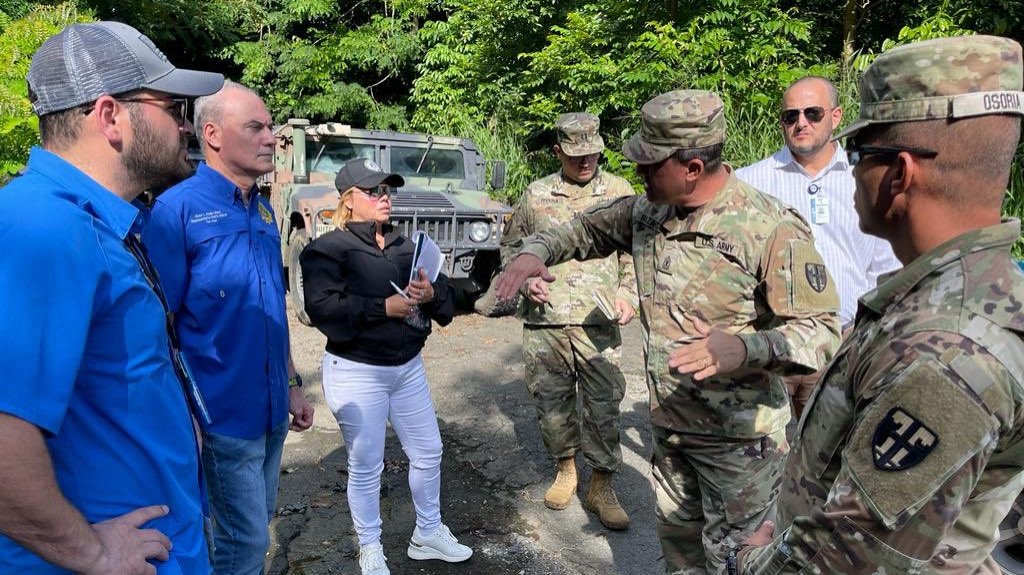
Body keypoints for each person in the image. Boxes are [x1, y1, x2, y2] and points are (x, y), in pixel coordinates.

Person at [495, 90, 842, 574]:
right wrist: (535, 251)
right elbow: (580, 230)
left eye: (649, 164)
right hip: (671, 434)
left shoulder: (768, 228)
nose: (637, 174)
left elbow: (823, 332)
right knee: (681, 557)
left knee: (742, 563)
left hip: (739, 448)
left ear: (693, 167)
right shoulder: (647, 213)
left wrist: (747, 347)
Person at [734, 35, 1024, 575]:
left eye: (861, 154)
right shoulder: (954, 294)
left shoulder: (944, 352)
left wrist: (746, 562)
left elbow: (848, 560)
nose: (851, 170)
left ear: (899, 174)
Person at [0, 21, 223, 574]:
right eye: (173, 107)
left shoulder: (95, 224)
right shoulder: (42, 227)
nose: (186, 127)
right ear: (109, 116)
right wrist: (89, 552)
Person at [142, 80, 315, 575]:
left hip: (270, 412)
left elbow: (271, 310)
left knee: (251, 530)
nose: (270, 138)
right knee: (243, 543)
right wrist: (184, 417)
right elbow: (160, 326)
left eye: (271, 127)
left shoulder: (261, 209)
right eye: (256, 127)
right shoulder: (178, 211)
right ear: (213, 134)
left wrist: (293, 385)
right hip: (220, 418)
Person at [300, 159, 473, 575]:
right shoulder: (326, 250)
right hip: (357, 370)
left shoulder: (405, 245)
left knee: (429, 452)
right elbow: (321, 310)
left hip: (407, 367)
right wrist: (383, 307)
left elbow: (448, 300)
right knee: (366, 464)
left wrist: (431, 292)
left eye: (387, 190)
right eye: (373, 191)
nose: (384, 198)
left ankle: (427, 532)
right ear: (348, 200)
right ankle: (370, 546)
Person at [501, 112, 638, 530]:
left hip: (599, 321)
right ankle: (566, 471)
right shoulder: (536, 193)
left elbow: (636, 251)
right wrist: (525, 286)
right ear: (558, 150)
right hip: (546, 321)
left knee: (604, 406)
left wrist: (627, 293)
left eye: (592, 153)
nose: (586, 162)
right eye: (576, 155)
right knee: (552, 404)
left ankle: (601, 486)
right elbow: (511, 250)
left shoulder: (619, 192)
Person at [737, 76, 900, 417]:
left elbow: (887, 267)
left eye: (812, 113)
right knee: (763, 463)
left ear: (836, 116)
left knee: (829, 463)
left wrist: (861, 333)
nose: (801, 123)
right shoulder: (749, 183)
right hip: (769, 347)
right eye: (790, 116)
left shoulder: (866, 178)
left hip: (841, 348)